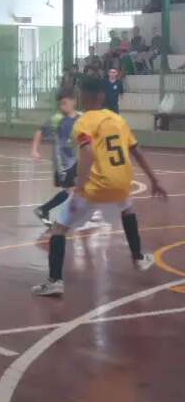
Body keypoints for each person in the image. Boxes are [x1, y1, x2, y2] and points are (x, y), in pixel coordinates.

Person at [32, 77, 167, 296]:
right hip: (122, 183)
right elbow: (136, 151)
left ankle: (55, 281)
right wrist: (154, 180)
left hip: (95, 187)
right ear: (102, 96)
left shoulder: (83, 122)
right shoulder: (118, 120)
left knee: (59, 228)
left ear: (81, 97)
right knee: (127, 209)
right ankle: (138, 258)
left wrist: (80, 184)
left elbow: (88, 152)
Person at [32, 90, 80, 227]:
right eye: (61, 104)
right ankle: (44, 210)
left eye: (65, 103)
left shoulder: (81, 118)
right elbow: (40, 131)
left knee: (78, 188)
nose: (62, 106)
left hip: (76, 160)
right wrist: (35, 150)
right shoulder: (57, 119)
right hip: (63, 162)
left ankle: (47, 210)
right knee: (71, 190)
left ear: (74, 102)